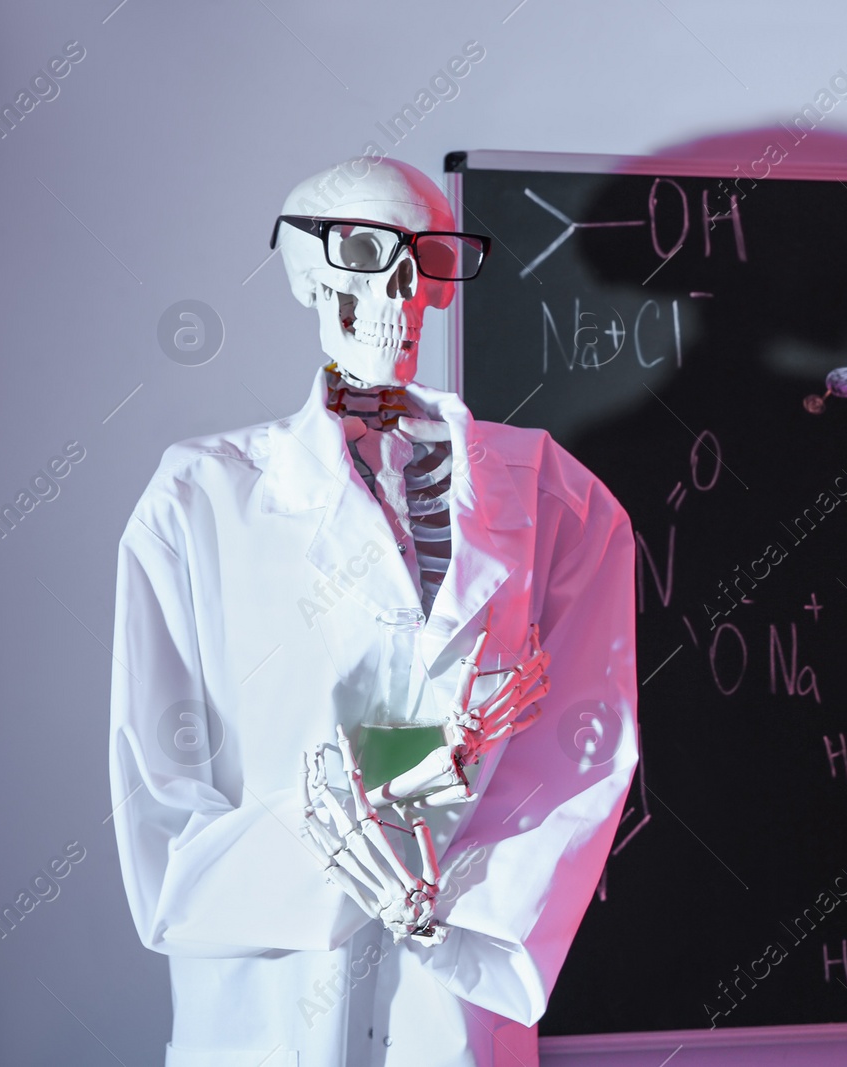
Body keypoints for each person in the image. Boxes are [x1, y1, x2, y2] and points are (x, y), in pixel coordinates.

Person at [108, 157, 637, 1066]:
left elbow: (578, 765)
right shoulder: (198, 499)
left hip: (454, 993)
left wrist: (447, 919)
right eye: (365, 251)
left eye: (429, 257)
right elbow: (165, 805)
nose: (403, 287)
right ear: (309, 273)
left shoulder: (558, 497)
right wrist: (438, 758)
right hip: (262, 1007)